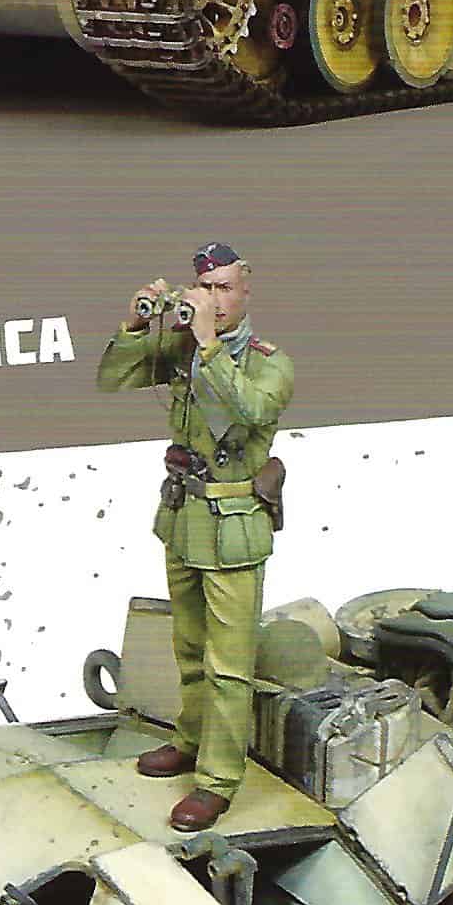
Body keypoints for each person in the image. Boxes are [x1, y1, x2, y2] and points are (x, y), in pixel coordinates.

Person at [96, 241, 295, 833]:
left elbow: (252, 412)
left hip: (234, 526)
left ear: (245, 291)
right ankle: (189, 739)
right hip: (185, 516)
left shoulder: (267, 362)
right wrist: (137, 324)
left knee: (228, 665)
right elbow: (112, 377)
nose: (213, 299)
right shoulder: (184, 348)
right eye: (204, 288)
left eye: (224, 288)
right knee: (187, 646)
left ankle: (218, 780)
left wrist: (208, 345)